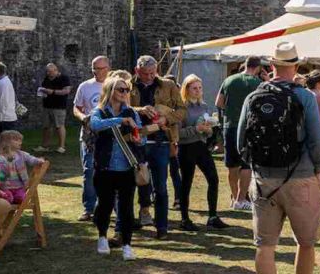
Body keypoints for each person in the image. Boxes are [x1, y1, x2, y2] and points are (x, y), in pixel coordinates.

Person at [237, 41, 320, 274]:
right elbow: (317, 141)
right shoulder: (304, 96)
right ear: (296, 66)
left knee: (265, 246)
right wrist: (316, 171)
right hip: (300, 176)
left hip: (263, 180)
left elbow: (240, 142)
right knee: (306, 242)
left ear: (271, 65)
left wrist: (257, 168)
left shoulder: (254, 95)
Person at [130, 56, 186, 239]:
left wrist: (166, 119)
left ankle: (162, 228)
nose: (148, 77)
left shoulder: (169, 85)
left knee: (160, 187)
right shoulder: (126, 85)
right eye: (145, 74)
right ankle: (137, 218)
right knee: (137, 183)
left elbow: (182, 110)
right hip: (136, 142)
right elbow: (120, 107)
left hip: (161, 142)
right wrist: (140, 110)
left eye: (152, 73)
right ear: (137, 70)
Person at [89, 78, 143, 260]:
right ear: (110, 90)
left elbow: (140, 134)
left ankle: (127, 244)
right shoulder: (100, 111)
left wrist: (138, 139)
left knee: (127, 208)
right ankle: (102, 236)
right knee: (105, 204)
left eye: (126, 90)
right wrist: (120, 120)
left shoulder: (131, 112)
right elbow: (95, 125)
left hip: (127, 166)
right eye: (120, 89)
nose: (124, 93)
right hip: (105, 167)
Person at [176, 75, 225, 232]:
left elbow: (207, 132)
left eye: (200, 88)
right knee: (186, 183)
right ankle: (185, 218)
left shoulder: (204, 106)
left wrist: (209, 131)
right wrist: (196, 129)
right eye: (194, 88)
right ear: (186, 89)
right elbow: (177, 133)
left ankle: (212, 216)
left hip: (201, 147)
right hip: (186, 148)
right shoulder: (181, 108)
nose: (198, 91)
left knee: (213, 179)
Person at [217, 56, 263, 212]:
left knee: (232, 165)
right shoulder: (258, 83)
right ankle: (241, 199)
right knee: (246, 164)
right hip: (249, 127)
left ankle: (234, 197)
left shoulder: (229, 80)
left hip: (229, 125)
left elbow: (219, 103)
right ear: (257, 68)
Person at [73, 56, 111, 221]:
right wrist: (83, 118)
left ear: (108, 68)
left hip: (109, 134)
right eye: (94, 68)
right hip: (89, 135)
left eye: (101, 68)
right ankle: (89, 208)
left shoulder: (115, 85)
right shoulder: (85, 86)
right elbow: (76, 107)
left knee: (111, 172)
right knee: (89, 171)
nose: (97, 72)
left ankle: (111, 208)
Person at [0, 130, 46, 205]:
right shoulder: (0, 157)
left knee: (21, 199)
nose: (20, 142)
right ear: (7, 142)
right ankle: (2, 195)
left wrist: (39, 160)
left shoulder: (21, 154)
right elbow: (0, 174)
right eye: (17, 140)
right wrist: (2, 186)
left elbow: (31, 159)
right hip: (5, 187)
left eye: (20, 140)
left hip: (20, 186)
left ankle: (11, 198)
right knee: (8, 198)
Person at [36, 63, 72, 154]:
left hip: (59, 107)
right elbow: (44, 89)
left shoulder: (64, 78)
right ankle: (45, 146)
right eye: (47, 71)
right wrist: (42, 92)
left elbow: (66, 91)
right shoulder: (46, 79)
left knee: (59, 126)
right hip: (47, 106)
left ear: (56, 70)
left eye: (51, 71)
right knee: (46, 127)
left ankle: (61, 146)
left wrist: (53, 92)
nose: (49, 73)